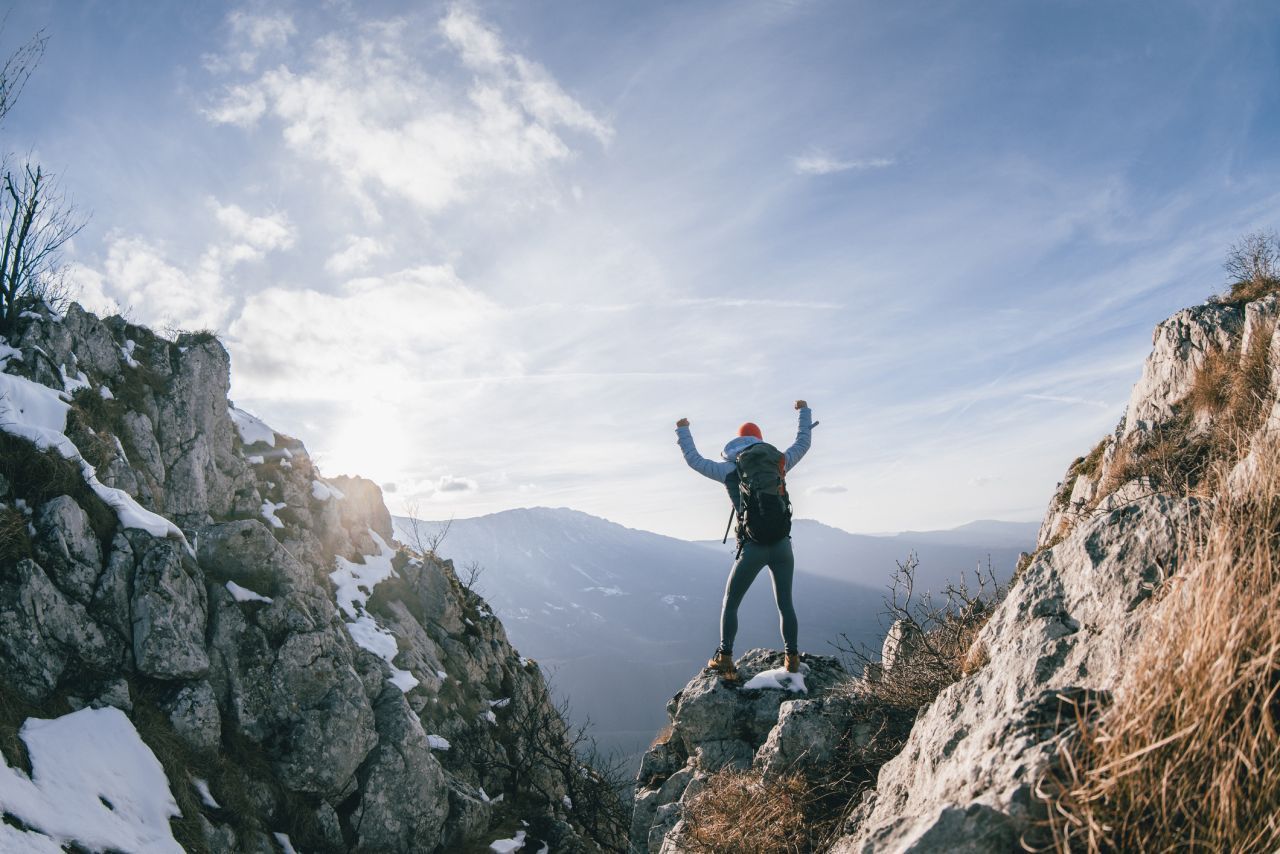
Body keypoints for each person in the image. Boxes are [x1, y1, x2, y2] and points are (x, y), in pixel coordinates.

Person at [675, 400, 813, 681]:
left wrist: (683, 430)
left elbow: (695, 460)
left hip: (752, 548)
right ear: (760, 441)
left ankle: (725, 658)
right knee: (785, 603)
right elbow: (803, 443)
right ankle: (793, 658)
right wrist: (803, 411)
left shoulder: (729, 470)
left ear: (738, 442)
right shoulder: (778, 462)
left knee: (731, 601)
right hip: (782, 545)